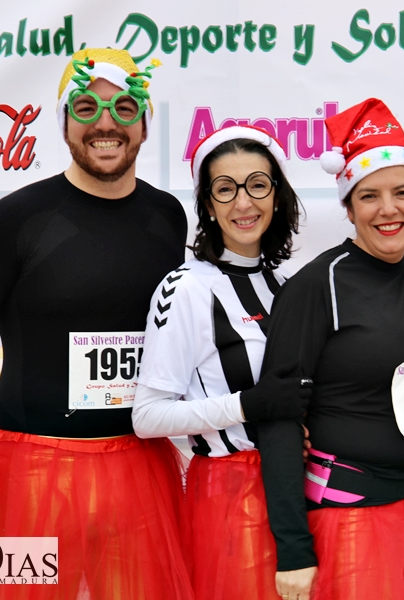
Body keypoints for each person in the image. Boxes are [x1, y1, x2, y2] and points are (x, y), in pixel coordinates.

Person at [0, 49, 193, 599]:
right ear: (64, 121)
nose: (106, 124)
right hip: (22, 480)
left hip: (142, 476)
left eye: (125, 107)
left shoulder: (169, 216)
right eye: (86, 107)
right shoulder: (17, 218)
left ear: (145, 123)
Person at [254, 98, 404, 600]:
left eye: (402, 192)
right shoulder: (316, 285)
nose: (388, 209)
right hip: (355, 515)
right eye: (368, 196)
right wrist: (293, 550)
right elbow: (280, 419)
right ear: (348, 207)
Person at [131, 125, 312, 600]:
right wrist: (248, 405)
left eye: (257, 184)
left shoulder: (289, 285)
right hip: (230, 497)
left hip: (301, 487)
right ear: (208, 206)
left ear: (277, 194)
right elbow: (148, 416)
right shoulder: (187, 286)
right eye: (225, 189)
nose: (243, 203)